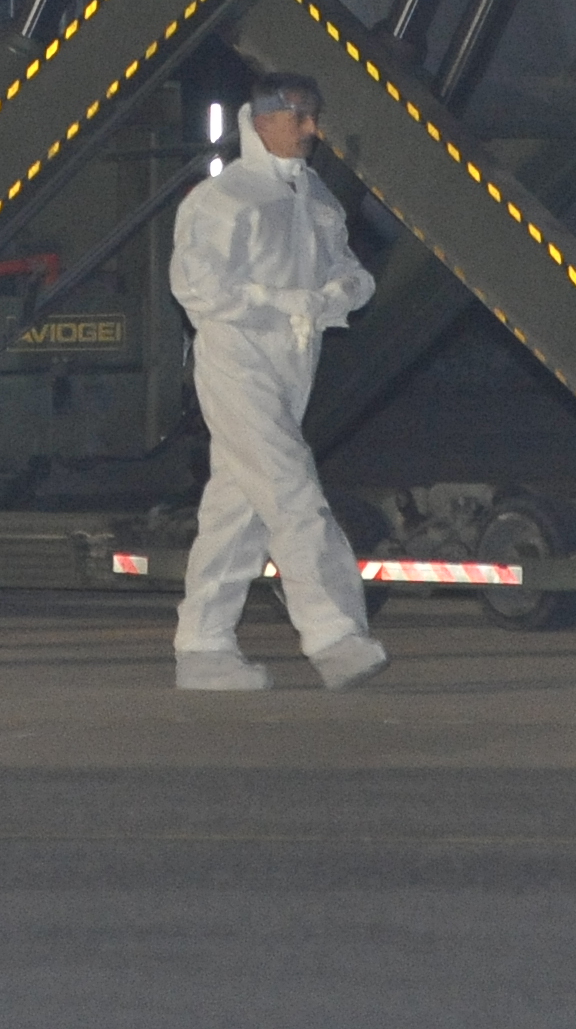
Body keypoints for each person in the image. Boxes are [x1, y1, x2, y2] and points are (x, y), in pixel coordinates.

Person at [167, 73, 387, 693]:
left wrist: (342, 291)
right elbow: (199, 289)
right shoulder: (222, 201)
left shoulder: (313, 195)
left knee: (238, 507)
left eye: (314, 115)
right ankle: (334, 634)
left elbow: (346, 267)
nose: (311, 130)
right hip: (238, 360)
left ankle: (204, 644)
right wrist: (284, 301)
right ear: (260, 118)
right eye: (300, 116)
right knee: (291, 488)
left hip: (294, 361)